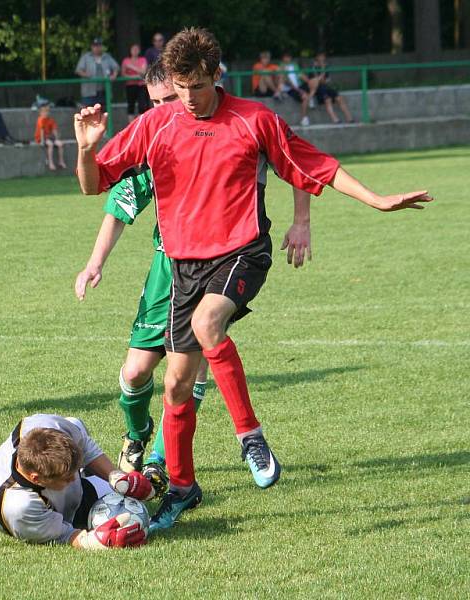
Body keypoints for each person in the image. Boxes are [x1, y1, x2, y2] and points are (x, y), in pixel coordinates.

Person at [73, 27, 431, 532]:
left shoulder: (254, 118)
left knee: (209, 323)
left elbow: (313, 165)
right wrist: (87, 148)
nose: (189, 98)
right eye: (180, 87)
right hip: (183, 266)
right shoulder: (156, 122)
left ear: (217, 76)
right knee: (175, 387)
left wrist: (376, 199)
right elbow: (95, 187)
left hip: (242, 251)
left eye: (197, 86)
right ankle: (181, 488)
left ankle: (250, 435)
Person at [74, 61, 314, 496]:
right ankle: (138, 434)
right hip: (168, 270)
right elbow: (116, 206)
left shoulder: (227, 127)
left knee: (191, 366)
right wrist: (95, 262)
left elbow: (294, 160)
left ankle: (167, 467)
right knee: (134, 374)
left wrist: (301, 219)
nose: (168, 108)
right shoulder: (155, 145)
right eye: (158, 103)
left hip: (220, 261)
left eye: (173, 97)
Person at [0, 413, 153, 549]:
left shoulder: (46, 425)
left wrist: (116, 476)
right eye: (68, 477)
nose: (76, 477)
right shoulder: (20, 508)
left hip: (19, 470)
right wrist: (95, 541)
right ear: (36, 478)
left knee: (73, 421)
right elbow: (65, 533)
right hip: (49, 513)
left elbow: (84, 445)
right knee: (132, 514)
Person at [309, 51, 354, 124]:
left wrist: (323, 72)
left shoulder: (326, 66)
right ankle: (335, 119)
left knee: (339, 98)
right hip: (318, 88)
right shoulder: (313, 67)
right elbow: (320, 81)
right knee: (328, 100)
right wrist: (323, 70)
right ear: (317, 57)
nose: (322, 58)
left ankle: (350, 118)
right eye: (320, 56)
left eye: (323, 56)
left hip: (326, 87)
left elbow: (327, 80)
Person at [75, 38, 119, 108]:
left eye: (99, 46)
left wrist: (114, 75)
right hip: (89, 92)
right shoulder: (86, 57)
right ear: (92, 47)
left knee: (103, 113)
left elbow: (116, 67)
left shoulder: (107, 57)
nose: (97, 48)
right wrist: (86, 75)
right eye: (95, 46)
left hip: (104, 91)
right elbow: (78, 70)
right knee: (89, 113)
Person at [279, 52, 311, 126]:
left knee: (313, 82)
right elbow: (285, 80)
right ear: (283, 58)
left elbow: (300, 74)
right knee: (305, 97)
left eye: (289, 57)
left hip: (299, 85)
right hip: (290, 88)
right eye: (285, 57)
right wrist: (298, 89)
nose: (287, 59)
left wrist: (309, 81)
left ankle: (310, 96)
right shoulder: (281, 66)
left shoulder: (294, 65)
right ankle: (304, 118)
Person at [34, 102, 66, 170]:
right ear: (40, 113)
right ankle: (51, 163)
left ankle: (61, 161)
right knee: (50, 144)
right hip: (41, 137)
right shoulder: (40, 119)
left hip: (49, 137)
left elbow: (54, 130)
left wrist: (57, 139)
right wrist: (42, 141)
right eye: (44, 112)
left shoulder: (51, 120)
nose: (46, 113)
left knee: (60, 144)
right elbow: (41, 131)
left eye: (47, 111)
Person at [121, 43, 149, 121]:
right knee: (131, 106)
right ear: (130, 51)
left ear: (139, 51)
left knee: (142, 105)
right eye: (133, 49)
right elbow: (123, 74)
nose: (135, 51)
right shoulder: (126, 60)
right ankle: (132, 126)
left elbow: (143, 72)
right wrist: (135, 76)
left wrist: (131, 67)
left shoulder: (143, 59)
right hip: (130, 85)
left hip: (141, 86)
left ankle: (141, 124)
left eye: (137, 49)